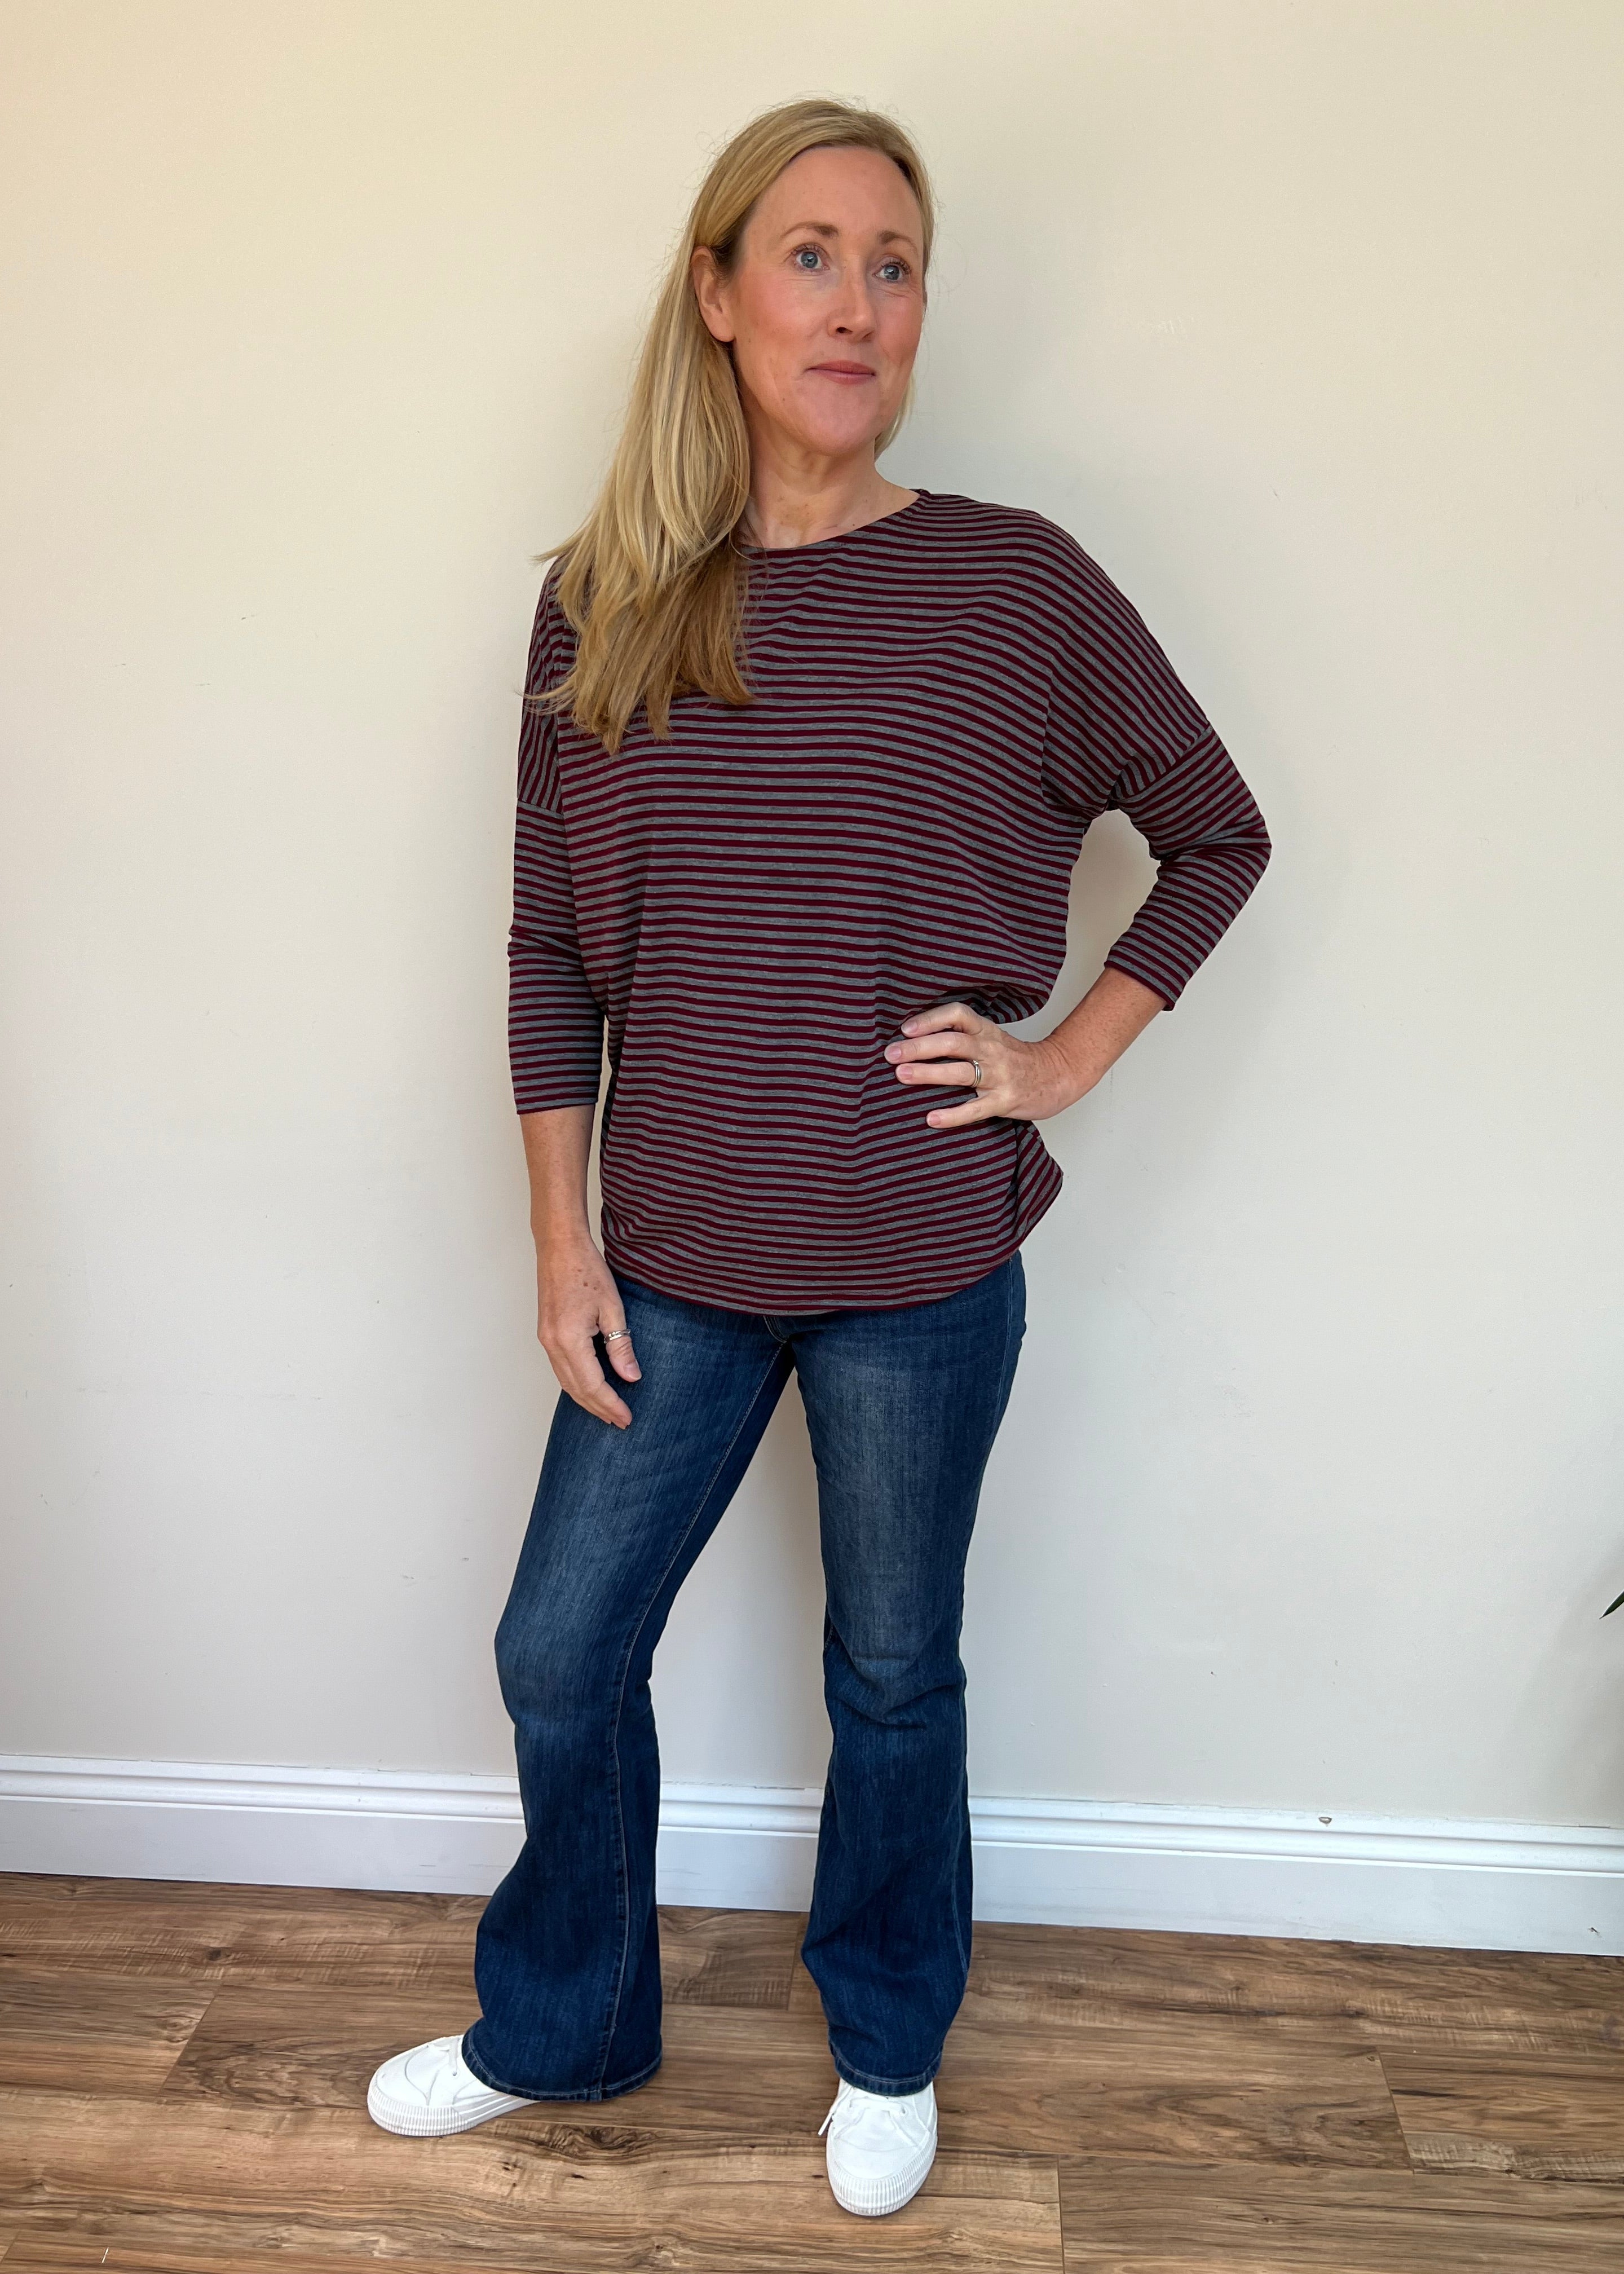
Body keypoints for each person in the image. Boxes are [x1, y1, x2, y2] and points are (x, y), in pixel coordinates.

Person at [367, 96, 1270, 2219]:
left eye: (895, 261)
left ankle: (885, 2034)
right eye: (811, 253)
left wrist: (1065, 1062)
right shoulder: (604, 605)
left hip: (917, 1255)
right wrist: (554, 1242)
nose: (857, 300)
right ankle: (564, 2021)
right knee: (559, 1649)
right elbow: (547, 949)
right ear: (715, 295)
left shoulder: (1011, 588)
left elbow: (1219, 835)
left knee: (891, 1667)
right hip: (669, 1247)